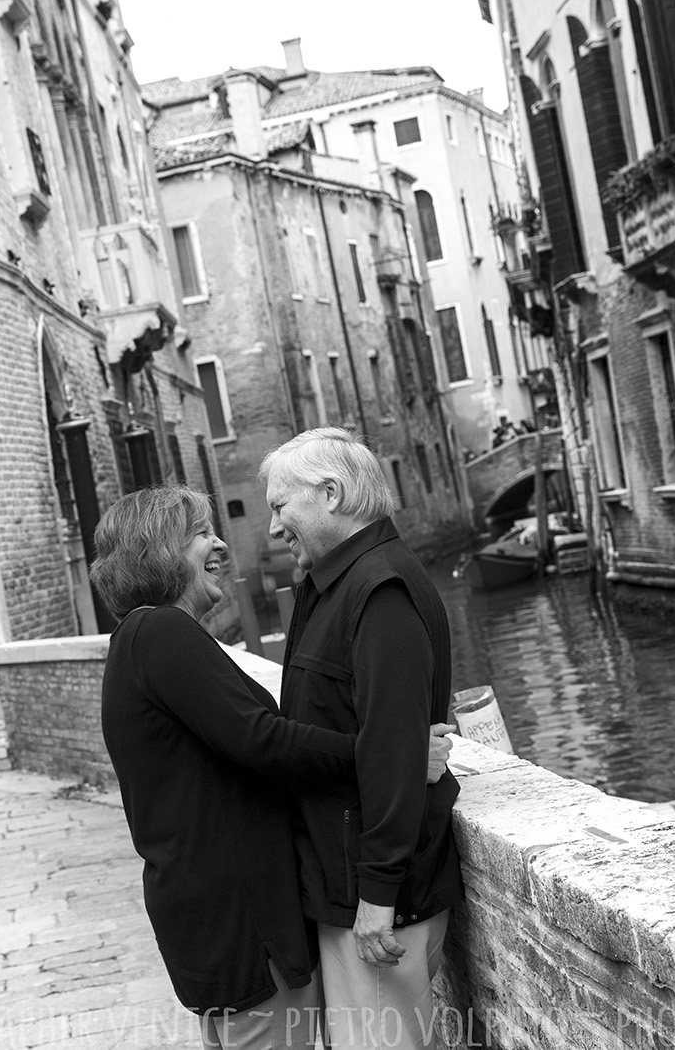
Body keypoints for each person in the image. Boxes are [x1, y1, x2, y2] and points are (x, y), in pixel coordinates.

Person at [91, 485, 451, 1049]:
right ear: (156, 551)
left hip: (218, 920)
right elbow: (262, 740)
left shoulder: (143, 640)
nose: (219, 543)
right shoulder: (158, 632)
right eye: (200, 533)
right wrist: (393, 753)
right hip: (242, 924)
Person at [260, 429, 464, 1050]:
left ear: (331, 493)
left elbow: (394, 751)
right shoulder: (329, 586)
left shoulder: (381, 592)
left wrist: (377, 894)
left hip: (373, 901)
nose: (272, 529)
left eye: (279, 506)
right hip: (341, 884)